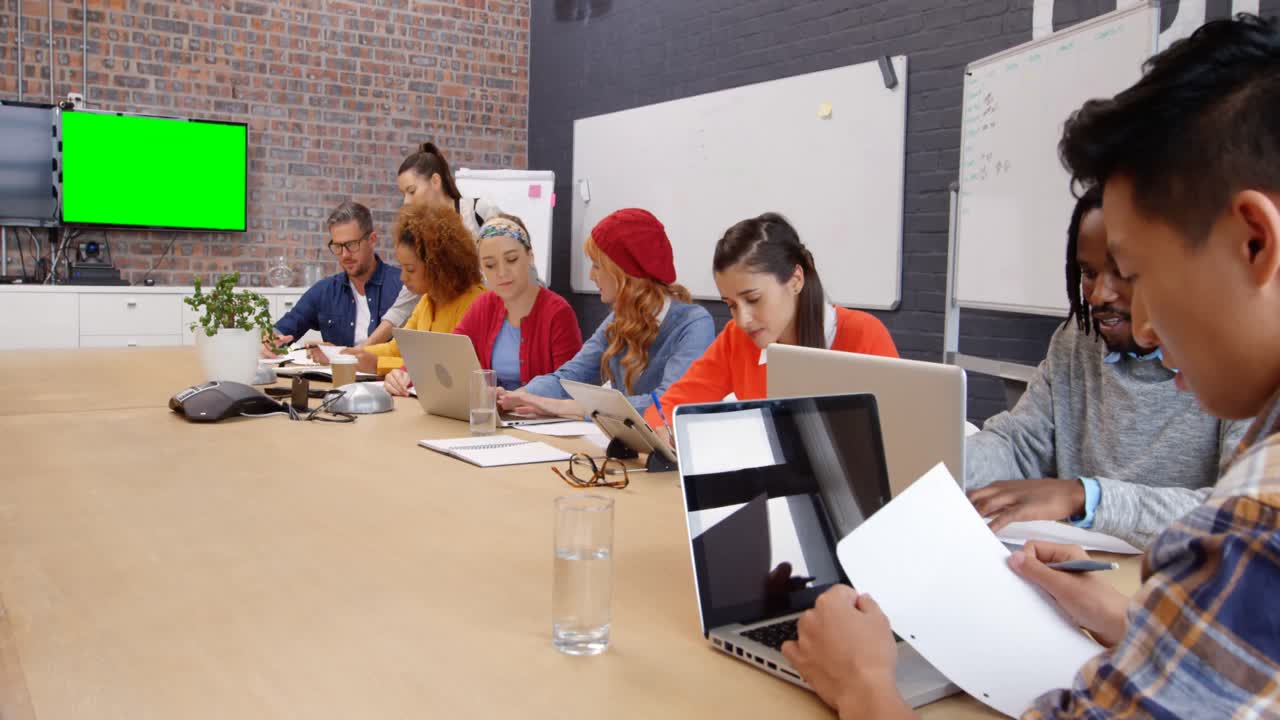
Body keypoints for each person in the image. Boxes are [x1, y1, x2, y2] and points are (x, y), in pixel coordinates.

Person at [782, 15, 1280, 719]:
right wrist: (1138, 627)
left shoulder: (1260, 516)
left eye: (1140, 274)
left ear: (1254, 242)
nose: (1136, 321)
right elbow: (1020, 437)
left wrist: (864, 685)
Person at [965, 187, 1247, 549]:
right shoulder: (1076, 340)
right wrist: (946, 461)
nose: (1098, 295)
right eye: (1088, 272)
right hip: (1077, 570)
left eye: (1124, 273)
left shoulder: (1245, 367)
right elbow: (1021, 445)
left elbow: (1243, 516)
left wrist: (1087, 496)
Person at [644, 212, 898, 432]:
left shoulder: (863, 335)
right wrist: (664, 430)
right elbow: (669, 408)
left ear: (796, 279)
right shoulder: (737, 337)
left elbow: (899, 441)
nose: (742, 320)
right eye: (731, 305)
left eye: (753, 299)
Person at [498, 208, 716, 417]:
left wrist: (569, 408)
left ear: (624, 271)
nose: (592, 276)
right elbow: (571, 378)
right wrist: (517, 396)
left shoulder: (694, 324)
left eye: (597, 265)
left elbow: (666, 404)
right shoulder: (619, 320)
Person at [383, 214, 582, 396]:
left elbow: (571, 386)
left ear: (530, 256)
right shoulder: (485, 305)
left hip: (540, 425)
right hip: (493, 421)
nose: (502, 272)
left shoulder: (557, 312)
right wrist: (404, 374)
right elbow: (445, 353)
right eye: (489, 265)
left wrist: (521, 399)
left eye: (511, 259)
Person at [348, 201, 486, 375]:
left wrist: (378, 363)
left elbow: (443, 368)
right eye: (402, 267)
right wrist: (351, 354)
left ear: (437, 265)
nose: (402, 277)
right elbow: (397, 348)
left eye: (410, 269)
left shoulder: (473, 303)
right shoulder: (427, 301)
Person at [361, 141, 470, 349]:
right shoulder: (425, 305)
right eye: (403, 194)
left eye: (411, 191)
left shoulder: (478, 215)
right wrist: (363, 349)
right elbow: (404, 304)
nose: (406, 202)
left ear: (436, 181)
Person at [262, 201, 404, 355]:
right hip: (337, 378)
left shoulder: (403, 285)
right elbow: (286, 326)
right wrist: (272, 340)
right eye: (337, 246)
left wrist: (336, 353)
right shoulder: (325, 290)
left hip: (387, 377)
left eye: (351, 244)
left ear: (372, 240)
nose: (344, 255)